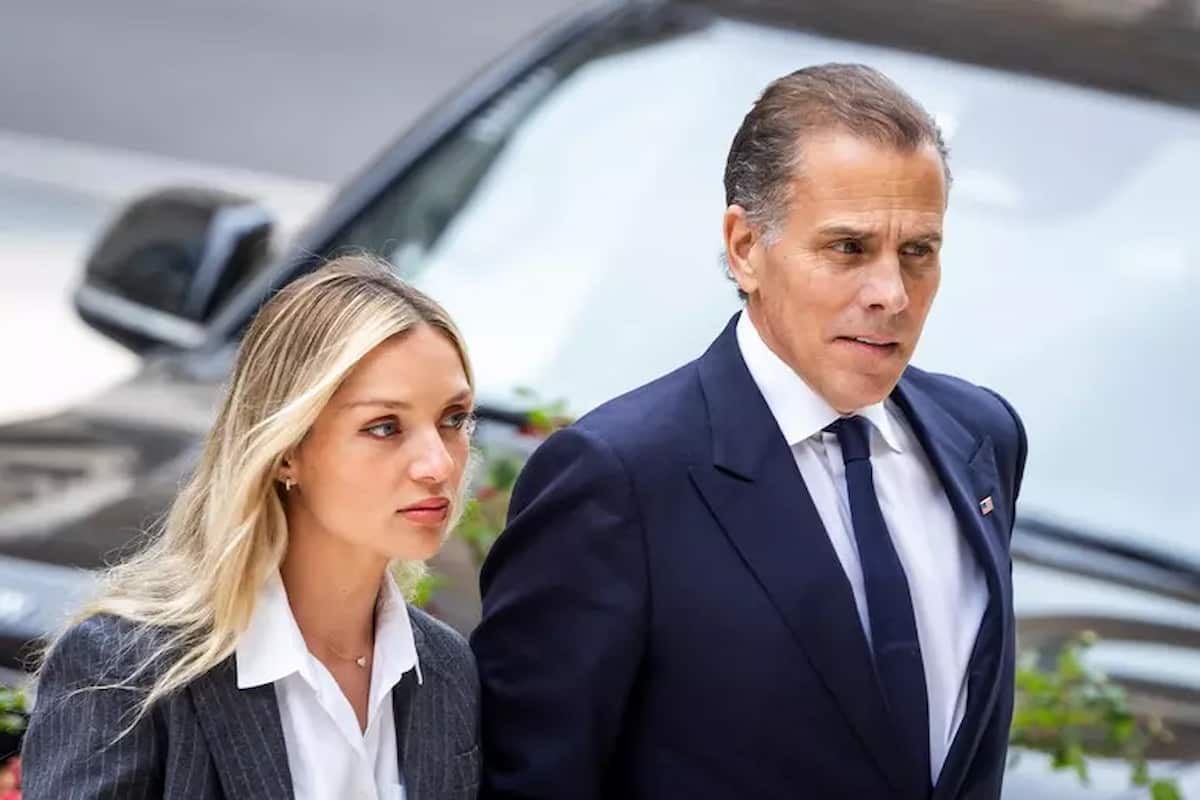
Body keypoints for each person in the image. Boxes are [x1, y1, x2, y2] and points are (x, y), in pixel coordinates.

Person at [472, 64, 1026, 800]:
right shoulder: (618, 480)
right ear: (744, 247)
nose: (891, 294)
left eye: (918, 252)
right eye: (849, 248)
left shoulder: (981, 438)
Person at [22, 256, 481, 800]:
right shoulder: (125, 670)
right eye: (384, 427)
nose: (438, 464)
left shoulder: (446, 670)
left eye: (453, 419)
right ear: (285, 450)